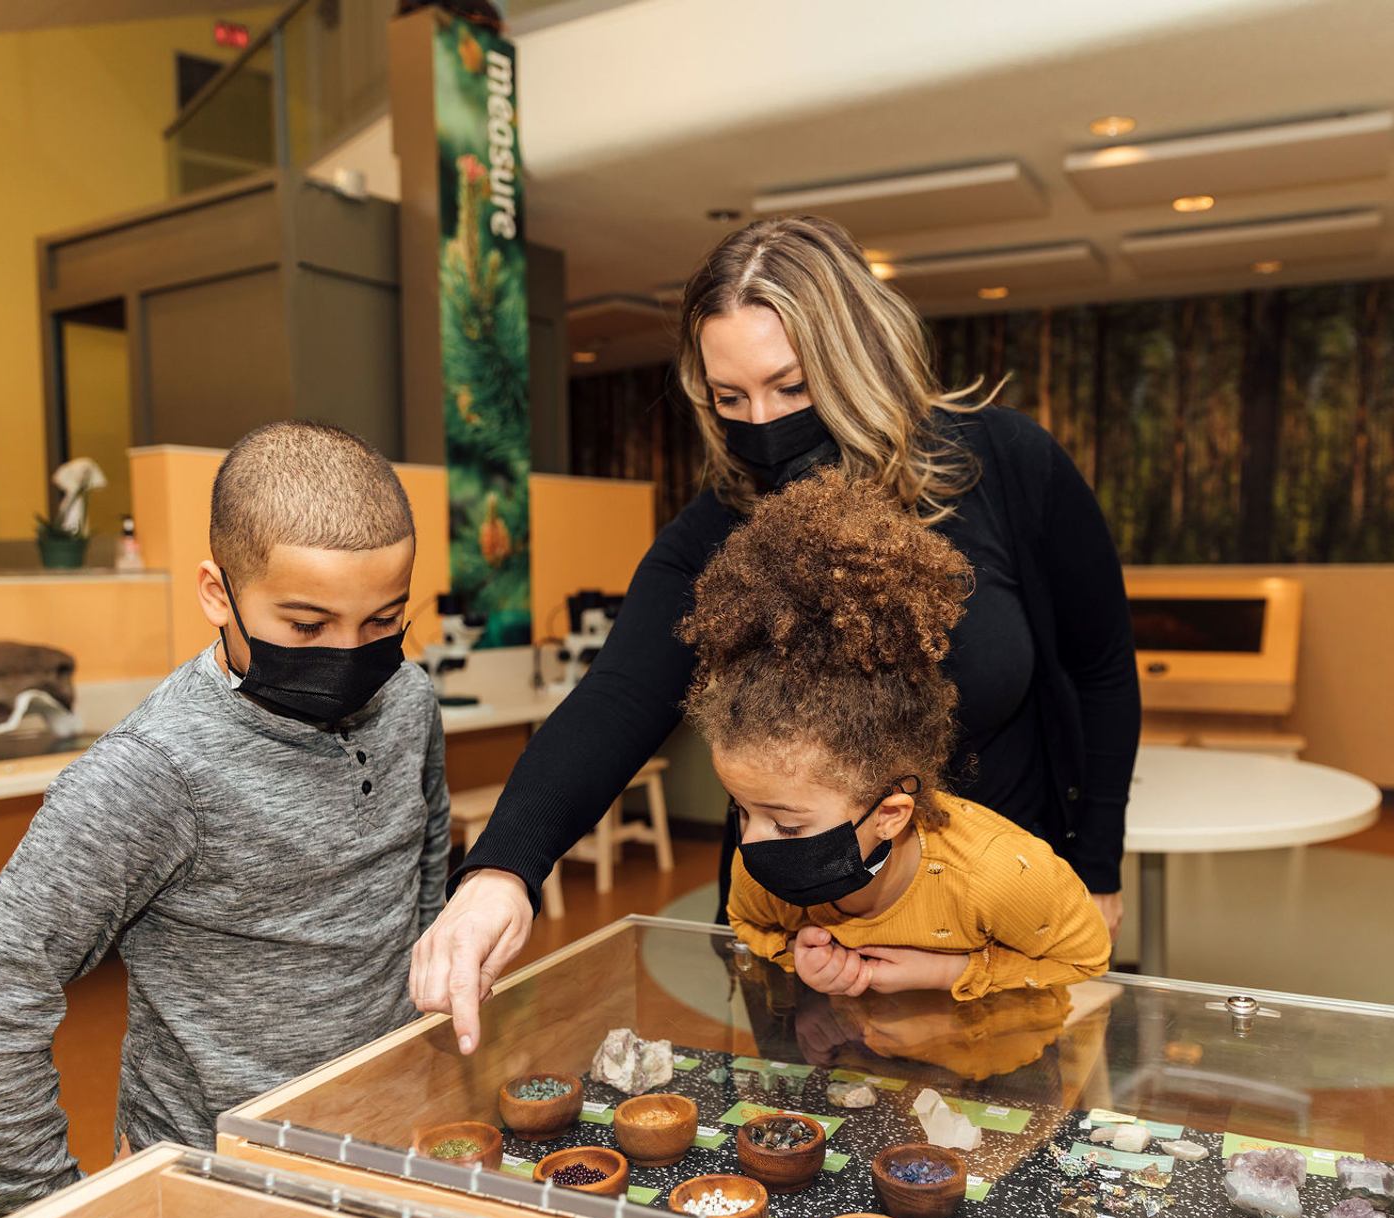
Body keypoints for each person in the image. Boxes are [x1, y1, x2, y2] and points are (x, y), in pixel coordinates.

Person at [413, 214, 1139, 1053]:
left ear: (857, 359)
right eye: (731, 398)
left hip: (997, 910)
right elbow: (617, 696)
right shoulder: (716, 528)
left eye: (792, 388)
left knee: (1004, 1150)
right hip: (806, 924)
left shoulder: (1006, 466)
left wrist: (1099, 866)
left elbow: (1102, 673)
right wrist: (502, 869)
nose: (762, 422)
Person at [0, 421, 450, 1218]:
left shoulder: (408, 697)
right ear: (215, 592)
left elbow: (427, 874)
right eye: (306, 626)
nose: (349, 655)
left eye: (381, 621)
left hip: (392, 1150)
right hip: (219, 1192)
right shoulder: (150, 773)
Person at [693, 470, 1109, 1001]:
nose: (750, 843)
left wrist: (947, 972)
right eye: (742, 811)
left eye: (788, 826)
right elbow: (751, 928)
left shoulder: (998, 875)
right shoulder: (762, 866)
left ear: (890, 814)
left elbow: (1087, 958)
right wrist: (799, 958)